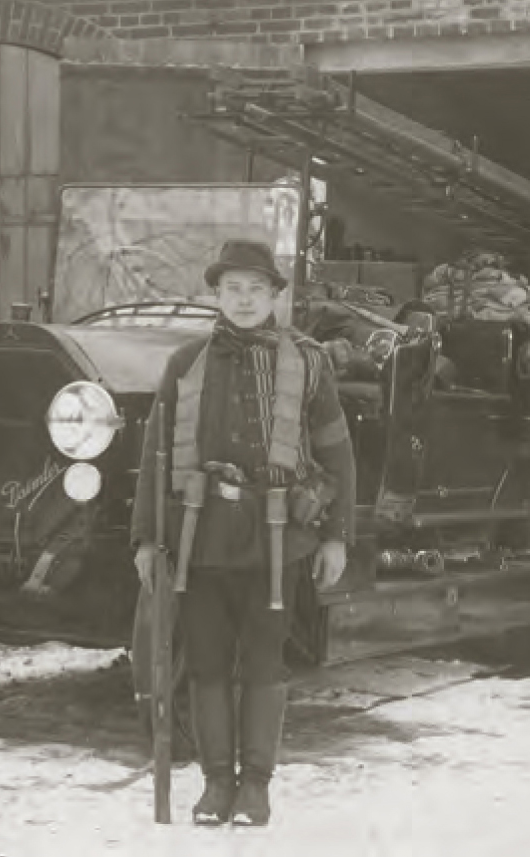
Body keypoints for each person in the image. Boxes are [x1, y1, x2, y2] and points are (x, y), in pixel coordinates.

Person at [131, 241, 355, 827]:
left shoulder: (308, 363)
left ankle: (255, 785)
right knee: (206, 662)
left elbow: (337, 453)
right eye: (234, 288)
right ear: (216, 294)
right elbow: (155, 456)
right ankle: (214, 785)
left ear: (276, 295)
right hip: (199, 539)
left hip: (277, 539)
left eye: (257, 288)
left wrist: (336, 536)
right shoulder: (185, 363)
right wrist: (146, 539)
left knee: (263, 662)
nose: (245, 299)